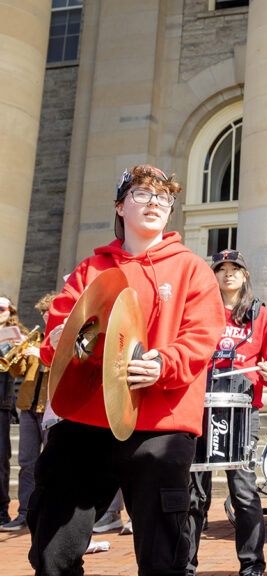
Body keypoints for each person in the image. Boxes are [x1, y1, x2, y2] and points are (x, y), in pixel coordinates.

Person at [29, 165, 224, 576]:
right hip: (86, 420)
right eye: (141, 194)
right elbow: (55, 342)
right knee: (51, 553)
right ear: (120, 206)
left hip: (160, 422)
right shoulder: (90, 269)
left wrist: (164, 364)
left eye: (164, 198)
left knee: (162, 559)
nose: (155, 202)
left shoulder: (192, 268)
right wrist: (63, 341)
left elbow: (202, 335)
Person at [185, 249, 267, 576]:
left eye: (235, 269)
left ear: (245, 276)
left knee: (244, 492)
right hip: (199, 410)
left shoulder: (261, 316)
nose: (228, 274)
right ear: (212, 275)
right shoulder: (197, 311)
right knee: (193, 495)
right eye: (221, 269)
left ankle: (252, 566)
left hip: (242, 413)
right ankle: (184, 566)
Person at [1, 292, 57, 531]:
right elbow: (17, 373)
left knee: (53, 464)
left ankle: (52, 514)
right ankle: (24, 512)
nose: (46, 316)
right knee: (26, 463)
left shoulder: (60, 339)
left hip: (51, 409)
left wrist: (42, 354)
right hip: (27, 406)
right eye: (44, 312)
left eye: (50, 312)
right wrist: (18, 356)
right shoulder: (34, 339)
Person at [0, 293, 29, 526]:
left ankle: (1, 510)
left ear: (10, 312)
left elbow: (17, 369)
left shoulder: (19, 336)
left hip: (2, 403)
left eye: (2, 309)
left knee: (1, 459)